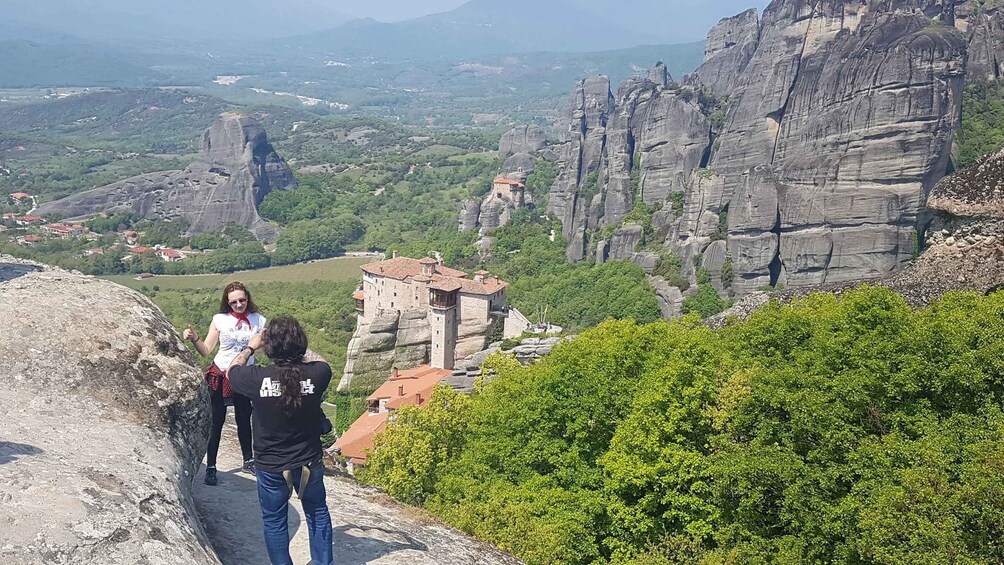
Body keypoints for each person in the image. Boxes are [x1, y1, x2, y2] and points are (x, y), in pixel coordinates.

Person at [227, 316, 334, 565]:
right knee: (317, 513)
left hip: (271, 465)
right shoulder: (318, 374)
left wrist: (252, 346)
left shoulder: (256, 378)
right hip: (309, 461)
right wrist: (296, 345)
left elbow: (232, 370)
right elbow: (322, 362)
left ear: (269, 346)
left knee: (275, 522)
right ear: (301, 343)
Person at [182, 281, 266, 486]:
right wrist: (194, 338)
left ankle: (248, 459)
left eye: (242, 300)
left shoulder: (259, 320)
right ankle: (211, 466)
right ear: (227, 303)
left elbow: (265, 348)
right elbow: (206, 349)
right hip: (220, 373)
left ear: (248, 299)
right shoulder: (220, 320)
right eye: (234, 302)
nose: (239, 305)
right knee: (216, 421)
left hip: (244, 374)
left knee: (244, 418)